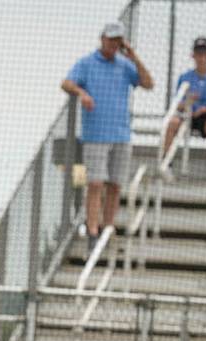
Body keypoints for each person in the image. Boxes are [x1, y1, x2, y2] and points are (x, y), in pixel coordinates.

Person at [62, 21, 155, 246]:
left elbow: (148, 83)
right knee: (95, 183)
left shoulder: (125, 65)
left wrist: (134, 57)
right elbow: (66, 83)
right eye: (111, 39)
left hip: (121, 134)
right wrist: (81, 93)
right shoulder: (86, 63)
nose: (114, 44)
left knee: (115, 184)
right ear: (102, 38)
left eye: (118, 40)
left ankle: (107, 228)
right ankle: (92, 230)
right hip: (95, 134)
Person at [161, 37, 206, 180]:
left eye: (204, 54)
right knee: (172, 123)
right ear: (193, 55)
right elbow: (177, 102)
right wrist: (188, 102)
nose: (201, 58)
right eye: (198, 54)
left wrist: (203, 110)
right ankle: (167, 164)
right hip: (187, 115)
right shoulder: (185, 77)